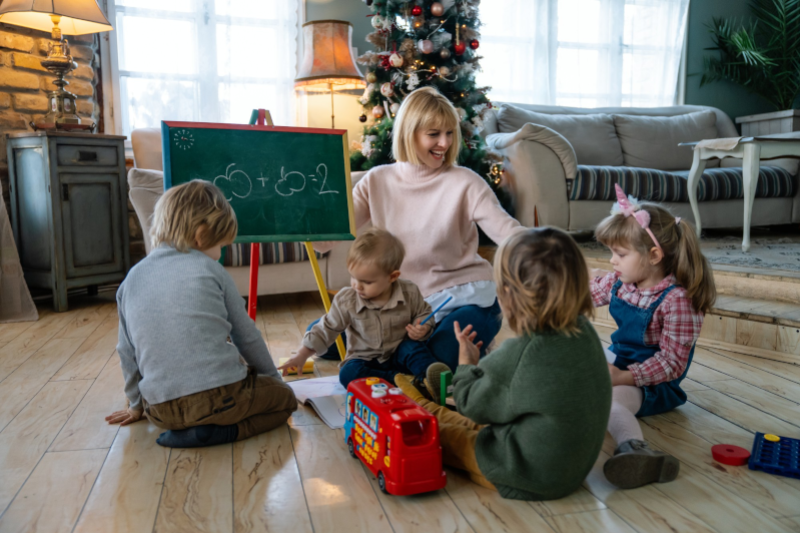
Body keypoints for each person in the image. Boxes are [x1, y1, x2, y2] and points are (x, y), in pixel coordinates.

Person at [311, 86, 524, 369]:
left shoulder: (465, 182)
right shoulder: (376, 181)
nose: (445, 143)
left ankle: (404, 352)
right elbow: (327, 239)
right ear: (409, 134)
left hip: (462, 296)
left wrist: (553, 250)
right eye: (434, 134)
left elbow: (508, 233)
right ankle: (405, 351)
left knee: (446, 352)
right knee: (320, 339)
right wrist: (305, 222)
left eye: (450, 133)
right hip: (400, 304)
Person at [395, 228, 611, 501]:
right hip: (572, 469)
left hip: (527, 474)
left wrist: (466, 364)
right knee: (467, 425)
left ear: (508, 294)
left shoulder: (520, 352)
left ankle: (415, 401)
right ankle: (423, 401)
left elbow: (471, 407)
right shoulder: (584, 331)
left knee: (440, 435)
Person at [105, 180, 297, 448]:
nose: (220, 255)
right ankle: (219, 433)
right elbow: (246, 336)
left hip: (160, 410)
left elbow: (126, 351)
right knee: (286, 401)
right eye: (221, 246)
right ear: (201, 235)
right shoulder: (212, 270)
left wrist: (137, 406)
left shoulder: (131, 279)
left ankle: (187, 429)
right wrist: (274, 381)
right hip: (220, 400)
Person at [592, 183, 716, 489]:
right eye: (611, 253)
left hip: (651, 383)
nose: (612, 261)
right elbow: (581, 296)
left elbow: (671, 363)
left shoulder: (678, 301)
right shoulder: (621, 282)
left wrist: (622, 377)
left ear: (654, 255)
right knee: (577, 354)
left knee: (608, 403)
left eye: (620, 253)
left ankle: (636, 450)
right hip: (620, 363)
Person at [279, 228, 446, 394]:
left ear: (392, 277)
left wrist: (422, 327)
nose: (357, 285)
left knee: (414, 349)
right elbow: (326, 329)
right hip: (364, 359)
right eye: (353, 277)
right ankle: (404, 380)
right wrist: (302, 354)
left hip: (399, 353)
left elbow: (424, 314)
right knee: (348, 374)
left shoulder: (409, 291)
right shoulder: (347, 299)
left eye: (366, 282)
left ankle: (434, 382)